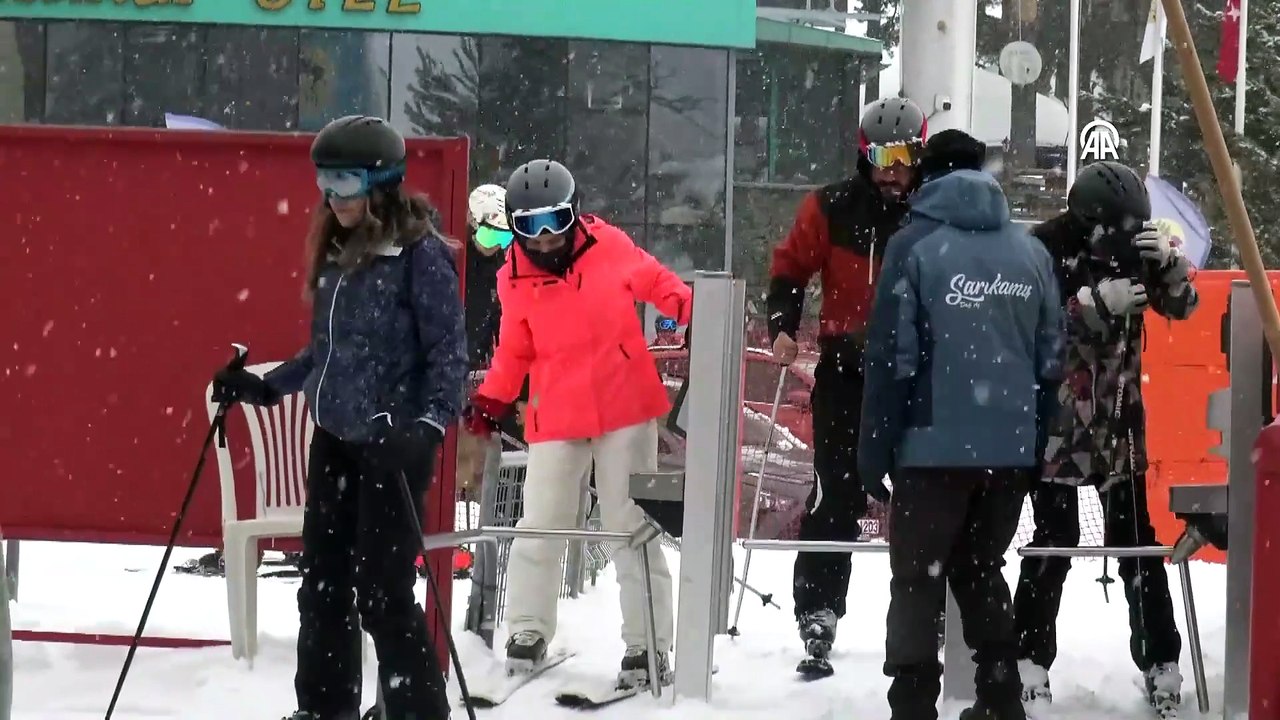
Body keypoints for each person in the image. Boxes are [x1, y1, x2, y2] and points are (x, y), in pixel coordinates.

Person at [211, 115, 467, 720]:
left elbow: (449, 355)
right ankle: (325, 709)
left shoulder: (418, 257)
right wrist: (264, 388)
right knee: (322, 586)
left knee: (382, 591)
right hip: (336, 440)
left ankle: (417, 712)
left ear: (382, 182)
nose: (333, 196)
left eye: (346, 182)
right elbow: (327, 354)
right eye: (325, 181)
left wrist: (425, 428)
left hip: (393, 445)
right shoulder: (336, 252)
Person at [461, 159, 692, 688]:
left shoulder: (609, 246)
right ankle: (527, 628)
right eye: (529, 227)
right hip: (556, 409)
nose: (543, 240)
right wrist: (490, 399)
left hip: (624, 406)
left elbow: (658, 282)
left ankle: (648, 643)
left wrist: (691, 309)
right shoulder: (512, 276)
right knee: (539, 521)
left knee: (630, 527)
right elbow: (515, 349)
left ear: (574, 214)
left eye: (554, 222)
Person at [859, 129, 1064, 720]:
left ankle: (914, 703)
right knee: (981, 570)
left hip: (931, 450)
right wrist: (1034, 440)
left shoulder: (913, 246)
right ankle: (1001, 696)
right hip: (1008, 451)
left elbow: (890, 360)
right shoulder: (1030, 253)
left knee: (917, 582)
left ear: (927, 176)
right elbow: (1052, 359)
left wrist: (874, 452)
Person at [1013, 161, 1199, 719]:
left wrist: (1171, 270)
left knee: (1139, 546)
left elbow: (1182, 307)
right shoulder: (1043, 250)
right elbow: (1029, 321)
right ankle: (1028, 662)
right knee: (1052, 544)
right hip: (1057, 430)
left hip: (1119, 428)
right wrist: (1091, 305)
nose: (1123, 242)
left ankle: (1161, 659)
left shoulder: (1140, 247)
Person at [766, 96, 927, 671]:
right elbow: (789, 268)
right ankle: (819, 607)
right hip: (846, 367)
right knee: (837, 488)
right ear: (865, 156)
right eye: (882, 157)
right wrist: (783, 326)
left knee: (919, 496)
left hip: (915, 373)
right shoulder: (832, 207)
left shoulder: (933, 209)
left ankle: (921, 612)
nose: (893, 170)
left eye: (905, 156)